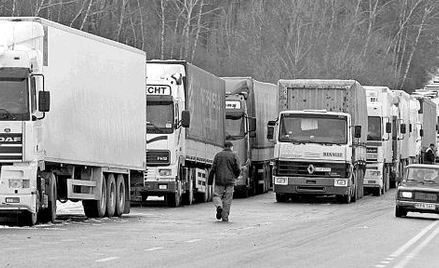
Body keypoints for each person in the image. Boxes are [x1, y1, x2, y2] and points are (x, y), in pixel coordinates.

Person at [208, 141, 241, 222]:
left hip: (219, 180)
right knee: (227, 200)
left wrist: (210, 180)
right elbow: (238, 168)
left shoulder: (218, 155)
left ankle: (219, 206)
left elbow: (213, 169)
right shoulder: (234, 155)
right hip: (230, 181)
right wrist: (236, 176)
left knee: (217, 195)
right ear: (230, 147)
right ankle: (225, 217)